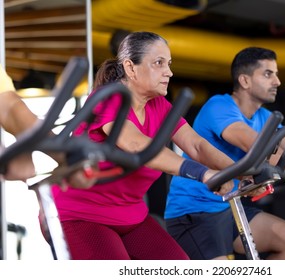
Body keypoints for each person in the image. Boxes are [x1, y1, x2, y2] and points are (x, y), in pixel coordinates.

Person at [50, 31, 242, 260]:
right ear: (131, 68)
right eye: (159, 63)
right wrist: (201, 173)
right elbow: (134, 143)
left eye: (169, 64)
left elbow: (197, 144)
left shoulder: (159, 105)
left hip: (131, 215)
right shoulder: (108, 97)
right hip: (83, 215)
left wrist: (242, 171)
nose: (169, 72)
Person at [164, 47, 285, 260]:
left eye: (276, 74)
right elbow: (257, 147)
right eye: (268, 74)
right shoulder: (219, 106)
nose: (277, 81)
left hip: (230, 207)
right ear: (245, 81)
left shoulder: (264, 116)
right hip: (194, 212)